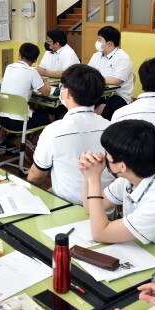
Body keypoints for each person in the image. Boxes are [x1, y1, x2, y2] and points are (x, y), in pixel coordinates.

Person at [78, 119, 155, 266]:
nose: (104, 156)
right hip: (148, 249)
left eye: (108, 153)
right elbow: (89, 207)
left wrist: (93, 179)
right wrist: (88, 173)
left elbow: (100, 234)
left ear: (122, 166)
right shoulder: (137, 173)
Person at [27, 64, 114, 205]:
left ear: (66, 93)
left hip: (65, 210)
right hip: (105, 210)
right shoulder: (111, 128)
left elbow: (35, 178)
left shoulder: (54, 131)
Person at [0, 43, 51, 150]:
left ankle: (0, 141)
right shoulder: (31, 71)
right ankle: (29, 144)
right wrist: (47, 84)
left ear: (19, 55)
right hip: (20, 123)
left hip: (2, 120)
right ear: (35, 60)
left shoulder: (9, 67)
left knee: (15, 107)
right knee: (48, 118)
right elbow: (45, 92)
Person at [88, 26, 134, 120]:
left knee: (102, 112)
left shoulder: (122, 58)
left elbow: (116, 80)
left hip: (118, 95)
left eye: (100, 40)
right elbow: (88, 72)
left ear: (109, 43)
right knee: (83, 107)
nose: (97, 43)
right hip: (99, 93)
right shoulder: (96, 56)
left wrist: (95, 79)